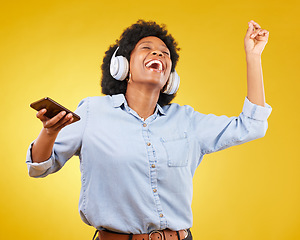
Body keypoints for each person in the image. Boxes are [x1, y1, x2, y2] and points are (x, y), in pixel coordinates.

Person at [26, 20, 272, 240]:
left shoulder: (186, 120)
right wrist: (49, 133)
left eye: (165, 54)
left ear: (170, 77)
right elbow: (39, 167)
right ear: (122, 66)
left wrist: (253, 56)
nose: (158, 53)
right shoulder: (93, 111)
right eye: (146, 48)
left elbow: (252, 126)